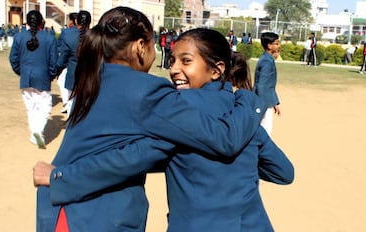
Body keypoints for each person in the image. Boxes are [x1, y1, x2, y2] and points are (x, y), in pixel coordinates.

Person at [33, 28, 294, 232]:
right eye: (172, 60)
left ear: (217, 70)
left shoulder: (179, 110)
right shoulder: (243, 116)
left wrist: (62, 177)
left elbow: (131, 159)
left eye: (186, 61)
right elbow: (284, 172)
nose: (174, 69)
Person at [9, 10, 58, 149]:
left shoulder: (18, 37)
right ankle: (37, 132)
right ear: (42, 21)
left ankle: (34, 133)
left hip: (26, 77)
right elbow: (53, 62)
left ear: (27, 22)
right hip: (42, 77)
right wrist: (52, 74)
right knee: (45, 107)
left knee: (31, 108)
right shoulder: (49, 38)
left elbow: (13, 59)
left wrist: (21, 72)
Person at [56, 10, 91, 116]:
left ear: (76, 21)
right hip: (89, 76)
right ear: (90, 22)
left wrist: (57, 70)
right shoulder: (96, 36)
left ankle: (71, 129)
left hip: (73, 75)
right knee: (87, 106)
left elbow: (62, 59)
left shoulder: (68, 36)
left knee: (71, 104)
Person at [253, 32, 281, 136]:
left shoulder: (267, 59)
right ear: (269, 46)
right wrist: (263, 104)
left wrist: (275, 102)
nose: (278, 46)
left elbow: (270, 85)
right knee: (266, 127)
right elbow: (262, 85)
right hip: (263, 100)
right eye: (276, 43)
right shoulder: (267, 62)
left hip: (266, 99)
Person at [56, 12, 77, 114]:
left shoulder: (67, 32)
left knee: (62, 82)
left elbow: (61, 48)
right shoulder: (91, 34)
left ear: (74, 21)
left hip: (70, 65)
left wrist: (59, 66)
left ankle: (66, 103)